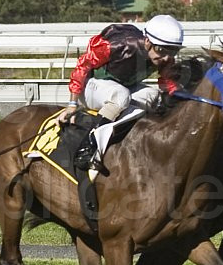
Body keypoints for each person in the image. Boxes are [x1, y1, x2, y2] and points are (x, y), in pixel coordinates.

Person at [58, 14, 184, 175]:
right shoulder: (118, 45)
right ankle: (89, 144)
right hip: (89, 87)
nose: (166, 57)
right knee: (121, 96)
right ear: (147, 42)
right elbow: (82, 66)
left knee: (153, 95)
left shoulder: (165, 58)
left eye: (173, 51)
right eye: (161, 50)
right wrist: (72, 105)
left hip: (120, 88)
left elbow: (168, 85)